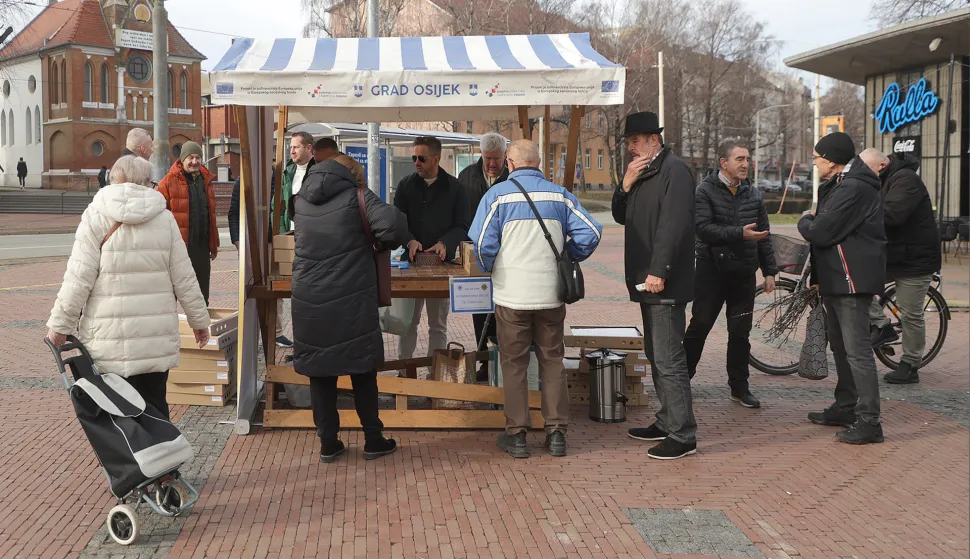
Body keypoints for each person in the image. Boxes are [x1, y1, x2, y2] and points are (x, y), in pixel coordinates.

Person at [46, 155, 211, 420]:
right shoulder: (164, 218)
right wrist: (199, 322)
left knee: (116, 414)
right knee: (155, 409)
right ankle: (162, 446)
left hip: (108, 339)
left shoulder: (96, 216)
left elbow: (78, 278)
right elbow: (185, 278)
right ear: (147, 182)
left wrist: (60, 327)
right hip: (154, 339)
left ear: (114, 179)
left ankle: (128, 448)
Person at [469, 140, 601, 458]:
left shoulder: (497, 196)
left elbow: (482, 245)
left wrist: (493, 267)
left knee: (514, 364)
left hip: (512, 295)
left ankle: (516, 435)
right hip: (551, 294)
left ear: (510, 164)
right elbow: (592, 232)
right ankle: (556, 433)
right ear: (539, 163)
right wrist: (566, 254)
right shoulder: (559, 195)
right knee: (552, 361)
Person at [290, 155, 411, 463]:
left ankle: (328, 443)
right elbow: (395, 227)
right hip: (351, 296)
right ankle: (373, 439)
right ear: (353, 174)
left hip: (309, 297)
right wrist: (377, 242)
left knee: (320, 371)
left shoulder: (300, 200)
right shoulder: (358, 195)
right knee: (362, 367)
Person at [611, 111, 698, 460]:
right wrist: (625, 185)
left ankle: (683, 433)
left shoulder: (674, 171)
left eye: (635, 141)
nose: (630, 148)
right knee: (655, 354)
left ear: (654, 140)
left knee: (668, 357)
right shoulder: (643, 171)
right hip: (646, 280)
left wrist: (660, 270)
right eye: (628, 142)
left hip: (664, 282)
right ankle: (666, 421)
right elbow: (621, 216)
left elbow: (674, 225)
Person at [799, 132, 886, 445]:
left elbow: (821, 231)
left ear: (832, 160)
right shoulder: (840, 184)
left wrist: (804, 221)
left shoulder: (854, 187)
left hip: (851, 280)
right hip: (837, 278)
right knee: (840, 346)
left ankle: (870, 422)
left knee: (857, 351)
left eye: (817, 157)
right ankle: (846, 406)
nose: (814, 163)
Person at [684, 140, 778, 409]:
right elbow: (703, 229)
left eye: (747, 159)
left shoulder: (754, 194)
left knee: (740, 333)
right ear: (723, 163)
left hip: (743, 274)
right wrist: (740, 234)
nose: (745, 164)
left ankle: (739, 388)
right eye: (739, 159)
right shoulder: (704, 191)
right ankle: (681, 380)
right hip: (711, 273)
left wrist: (769, 271)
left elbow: (764, 236)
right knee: (700, 326)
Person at [859, 148, 941, 384]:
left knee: (910, 313)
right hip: (893, 255)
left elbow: (891, 215)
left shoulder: (906, 180)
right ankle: (882, 326)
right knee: (855, 281)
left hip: (915, 259)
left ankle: (910, 365)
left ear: (881, 166)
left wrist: (856, 216)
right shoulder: (881, 179)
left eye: (866, 170)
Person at [393, 136, 471, 360]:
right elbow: (397, 221)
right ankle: (404, 371)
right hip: (410, 264)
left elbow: (463, 224)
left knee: (437, 325)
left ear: (436, 159)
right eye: (414, 158)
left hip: (442, 266)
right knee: (407, 323)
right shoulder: (405, 185)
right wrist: (409, 240)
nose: (416, 162)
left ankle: (434, 374)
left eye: (422, 158)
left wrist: (445, 243)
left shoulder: (456, 188)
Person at [459, 132, 509, 379]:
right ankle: (485, 363)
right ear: (481, 154)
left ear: (505, 156)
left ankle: (502, 363)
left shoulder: (512, 177)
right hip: (476, 255)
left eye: (496, 158)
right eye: (488, 158)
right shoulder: (467, 176)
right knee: (480, 311)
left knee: (505, 312)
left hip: (506, 256)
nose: (491, 163)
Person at [227, 176, 293, 348]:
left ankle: (276, 332)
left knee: (276, 286)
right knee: (250, 288)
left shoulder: (279, 179)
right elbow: (233, 214)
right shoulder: (243, 180)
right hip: (251, 243)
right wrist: (238, 243)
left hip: (274, 241)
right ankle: (249, 333)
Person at [157, 141, 219, 305]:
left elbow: (211, 216)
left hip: (201, 248)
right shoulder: (168, 181)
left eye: (198, 157)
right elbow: (158, 215)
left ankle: (201, 320)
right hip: (178, 248)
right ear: (182, 159)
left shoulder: (206, 180)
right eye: (190, 157)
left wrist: (213, 245)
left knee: (201, 295)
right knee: (172, 293)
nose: (194, 161)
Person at [278, 131, 316, 235]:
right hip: (290, 234)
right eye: (291, 147)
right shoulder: (287, 173)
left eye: (296, 147)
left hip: (312, 235)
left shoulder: (319, 171)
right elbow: (277, 207)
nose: (292, 151)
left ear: (308, 148)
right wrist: (282, 232)